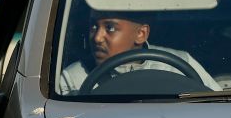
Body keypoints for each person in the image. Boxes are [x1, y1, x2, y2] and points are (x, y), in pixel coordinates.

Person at [59, 11, 221, 95]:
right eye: (94, 26)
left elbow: (216, 104)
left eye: (110, 28)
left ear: (141, 34)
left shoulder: (181, 63)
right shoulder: (73, 78)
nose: (97, 37)